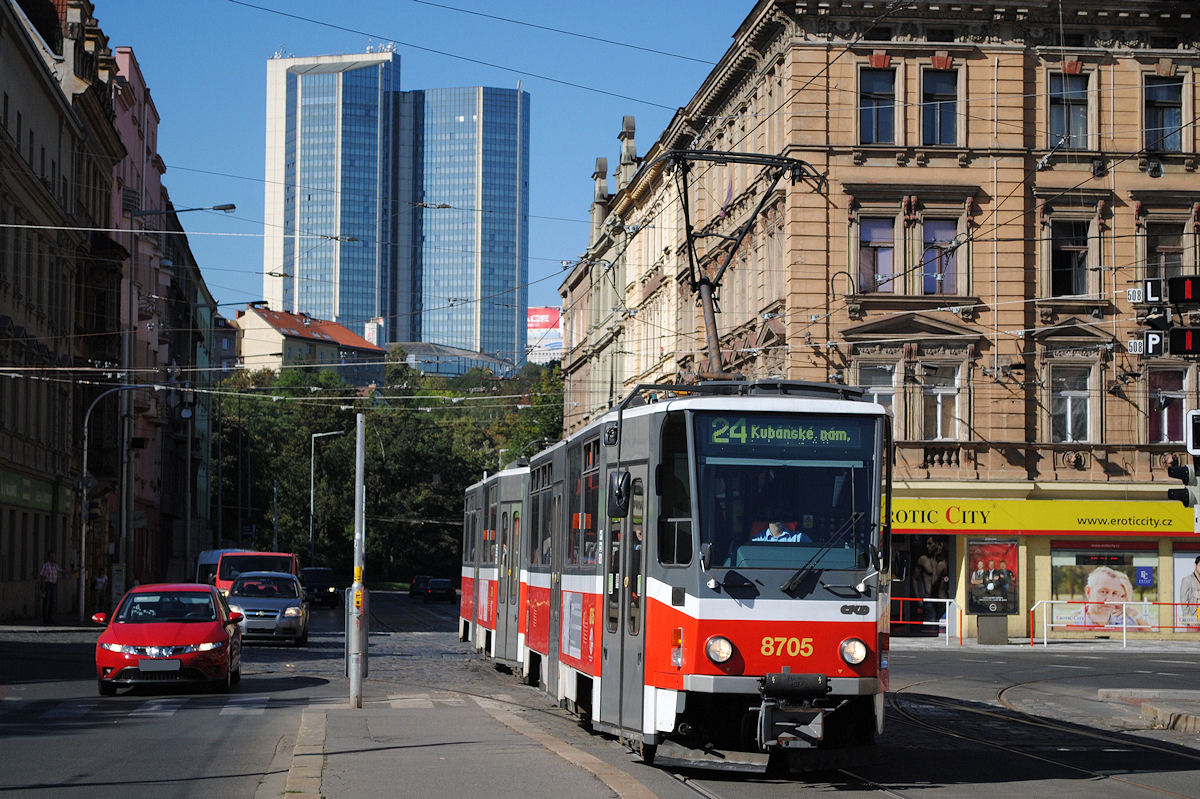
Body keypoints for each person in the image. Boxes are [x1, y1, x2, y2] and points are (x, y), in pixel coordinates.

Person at [1070, 566, 1150, 628]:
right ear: (1088, 592)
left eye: (1114, 593)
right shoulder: (1070, 622)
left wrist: (1136, 615)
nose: (1110, 599)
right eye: (1103, 592)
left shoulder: (1128, 623)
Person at [39, 550, 62, 623]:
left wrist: (74, 572)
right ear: (49, 557)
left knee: (53, 602)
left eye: (54, 556)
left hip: (53, 585)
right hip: (47, 584)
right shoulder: (46, 565)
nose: (53, 558)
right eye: (51, 556)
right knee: (46, 601)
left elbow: (61, 570)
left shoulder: (55, 565)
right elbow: (42, 576)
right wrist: (43, 586)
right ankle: (45, 619)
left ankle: (51, 618)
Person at [1178, 556, 1200, 629]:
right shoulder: (1187, 580)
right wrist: (1189, 618)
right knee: (1192, 638)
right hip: (1193, 616)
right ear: (1195, 565)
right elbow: (1183, 600)